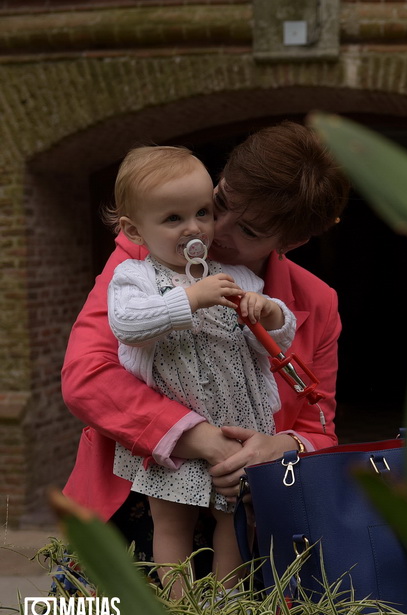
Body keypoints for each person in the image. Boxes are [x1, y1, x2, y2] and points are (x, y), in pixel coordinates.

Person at [62, 121, 350, 570]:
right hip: (132, 505)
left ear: (291, 243)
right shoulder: (140, 254)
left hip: (247, 520)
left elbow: (321, 427)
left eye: (250, 230)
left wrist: (279, 449)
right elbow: (86, 377)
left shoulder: (317, 302)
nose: (212, 229)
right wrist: (199, 438)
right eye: (219, 203)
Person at [104, 145, 296, 595]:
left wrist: (267, 313)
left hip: (235, 425)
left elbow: (273, 345)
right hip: (172, 431)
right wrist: (188, 298)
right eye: (173, 219)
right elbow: (127, 325)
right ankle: (181, 606)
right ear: (135, 229)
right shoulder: (135, 277)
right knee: (170, 521)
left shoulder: (236, 276)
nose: (194, 228)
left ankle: (227, 606)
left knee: (235, 519)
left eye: (203, 212)